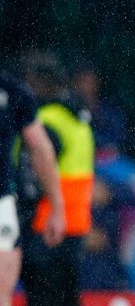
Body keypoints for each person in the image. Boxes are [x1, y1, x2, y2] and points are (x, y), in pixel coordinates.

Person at [18, 53, 94, 306]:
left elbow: (33, 175)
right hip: (75, 225)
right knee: (67, 298)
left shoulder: (45, 120)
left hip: (46, 225)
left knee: (42, 299)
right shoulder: (77, 117)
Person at [0, 72, 65, 306]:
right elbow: (41, 149)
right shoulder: (11, 91)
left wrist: (57, 208)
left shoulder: (12, 91)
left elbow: (41, 150)